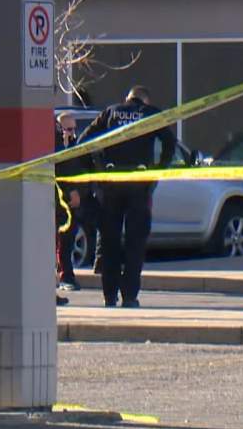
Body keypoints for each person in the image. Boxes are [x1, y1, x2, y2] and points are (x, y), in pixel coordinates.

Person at [79, 86, 175, 308]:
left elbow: (83, 141)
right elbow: (170, 144)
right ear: (145, 100)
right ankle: (129, 296)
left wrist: (95, 173)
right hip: (139, 185)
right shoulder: (151, 113)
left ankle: (109, 296)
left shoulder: (111, 112)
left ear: (127, 99)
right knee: (135, 243)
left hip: (111, 184)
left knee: (110, 242)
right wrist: (157, 171)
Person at [55, 111, 90, 294]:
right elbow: (60, 171)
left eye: (74, 129)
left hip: (75, 203)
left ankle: (67, 275)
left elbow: (83, 172)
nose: (72, 133)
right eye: (68, 129)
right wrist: (70, 193)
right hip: (59, 202)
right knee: (60, 241)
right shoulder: (55, 148)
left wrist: (80, 194)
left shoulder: (77, 147)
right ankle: (65, 276)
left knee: (68, 241)